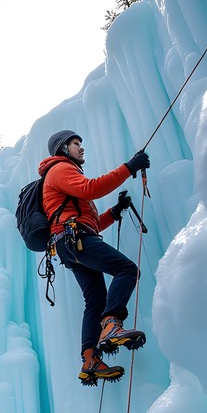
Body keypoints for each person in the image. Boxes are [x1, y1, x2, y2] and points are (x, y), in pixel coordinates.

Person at [40, 129, 150, 385]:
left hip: (70, 242)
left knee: (95, 299)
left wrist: (115, 211)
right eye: (75, 143)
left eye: (80, 143)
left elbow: (91, 225)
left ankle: (90, 358)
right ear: (63, 148)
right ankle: (111, 324)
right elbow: (91, 189)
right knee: (127, 270)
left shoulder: (64, 174)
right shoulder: (60, 169)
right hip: (74, 240)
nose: (81, 147)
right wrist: (129, 168)